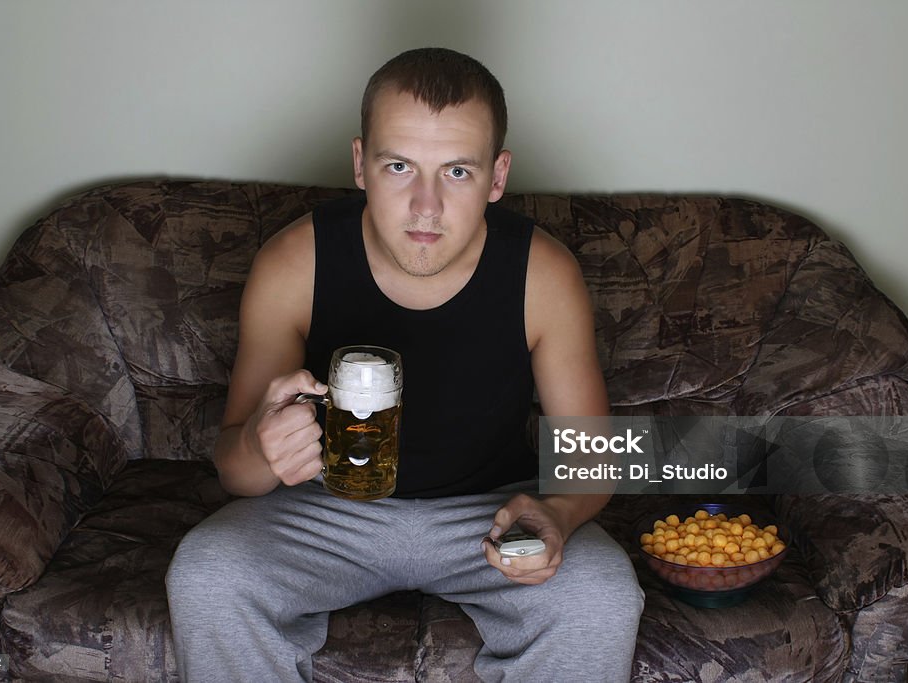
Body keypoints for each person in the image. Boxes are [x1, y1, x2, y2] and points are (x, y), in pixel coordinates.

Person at [166, 47, 644, 682]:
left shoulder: (543, 274)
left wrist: (555, 514)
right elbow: (235, 469)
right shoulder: (294, 260)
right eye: (399, 166)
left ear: (497, 177)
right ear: (361, 163)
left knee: (602, 594)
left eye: (456, 172)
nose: (426, 206)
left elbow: (592, 458)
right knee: (206, 574)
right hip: (323, 512)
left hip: (487, 516)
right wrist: (259, 444)